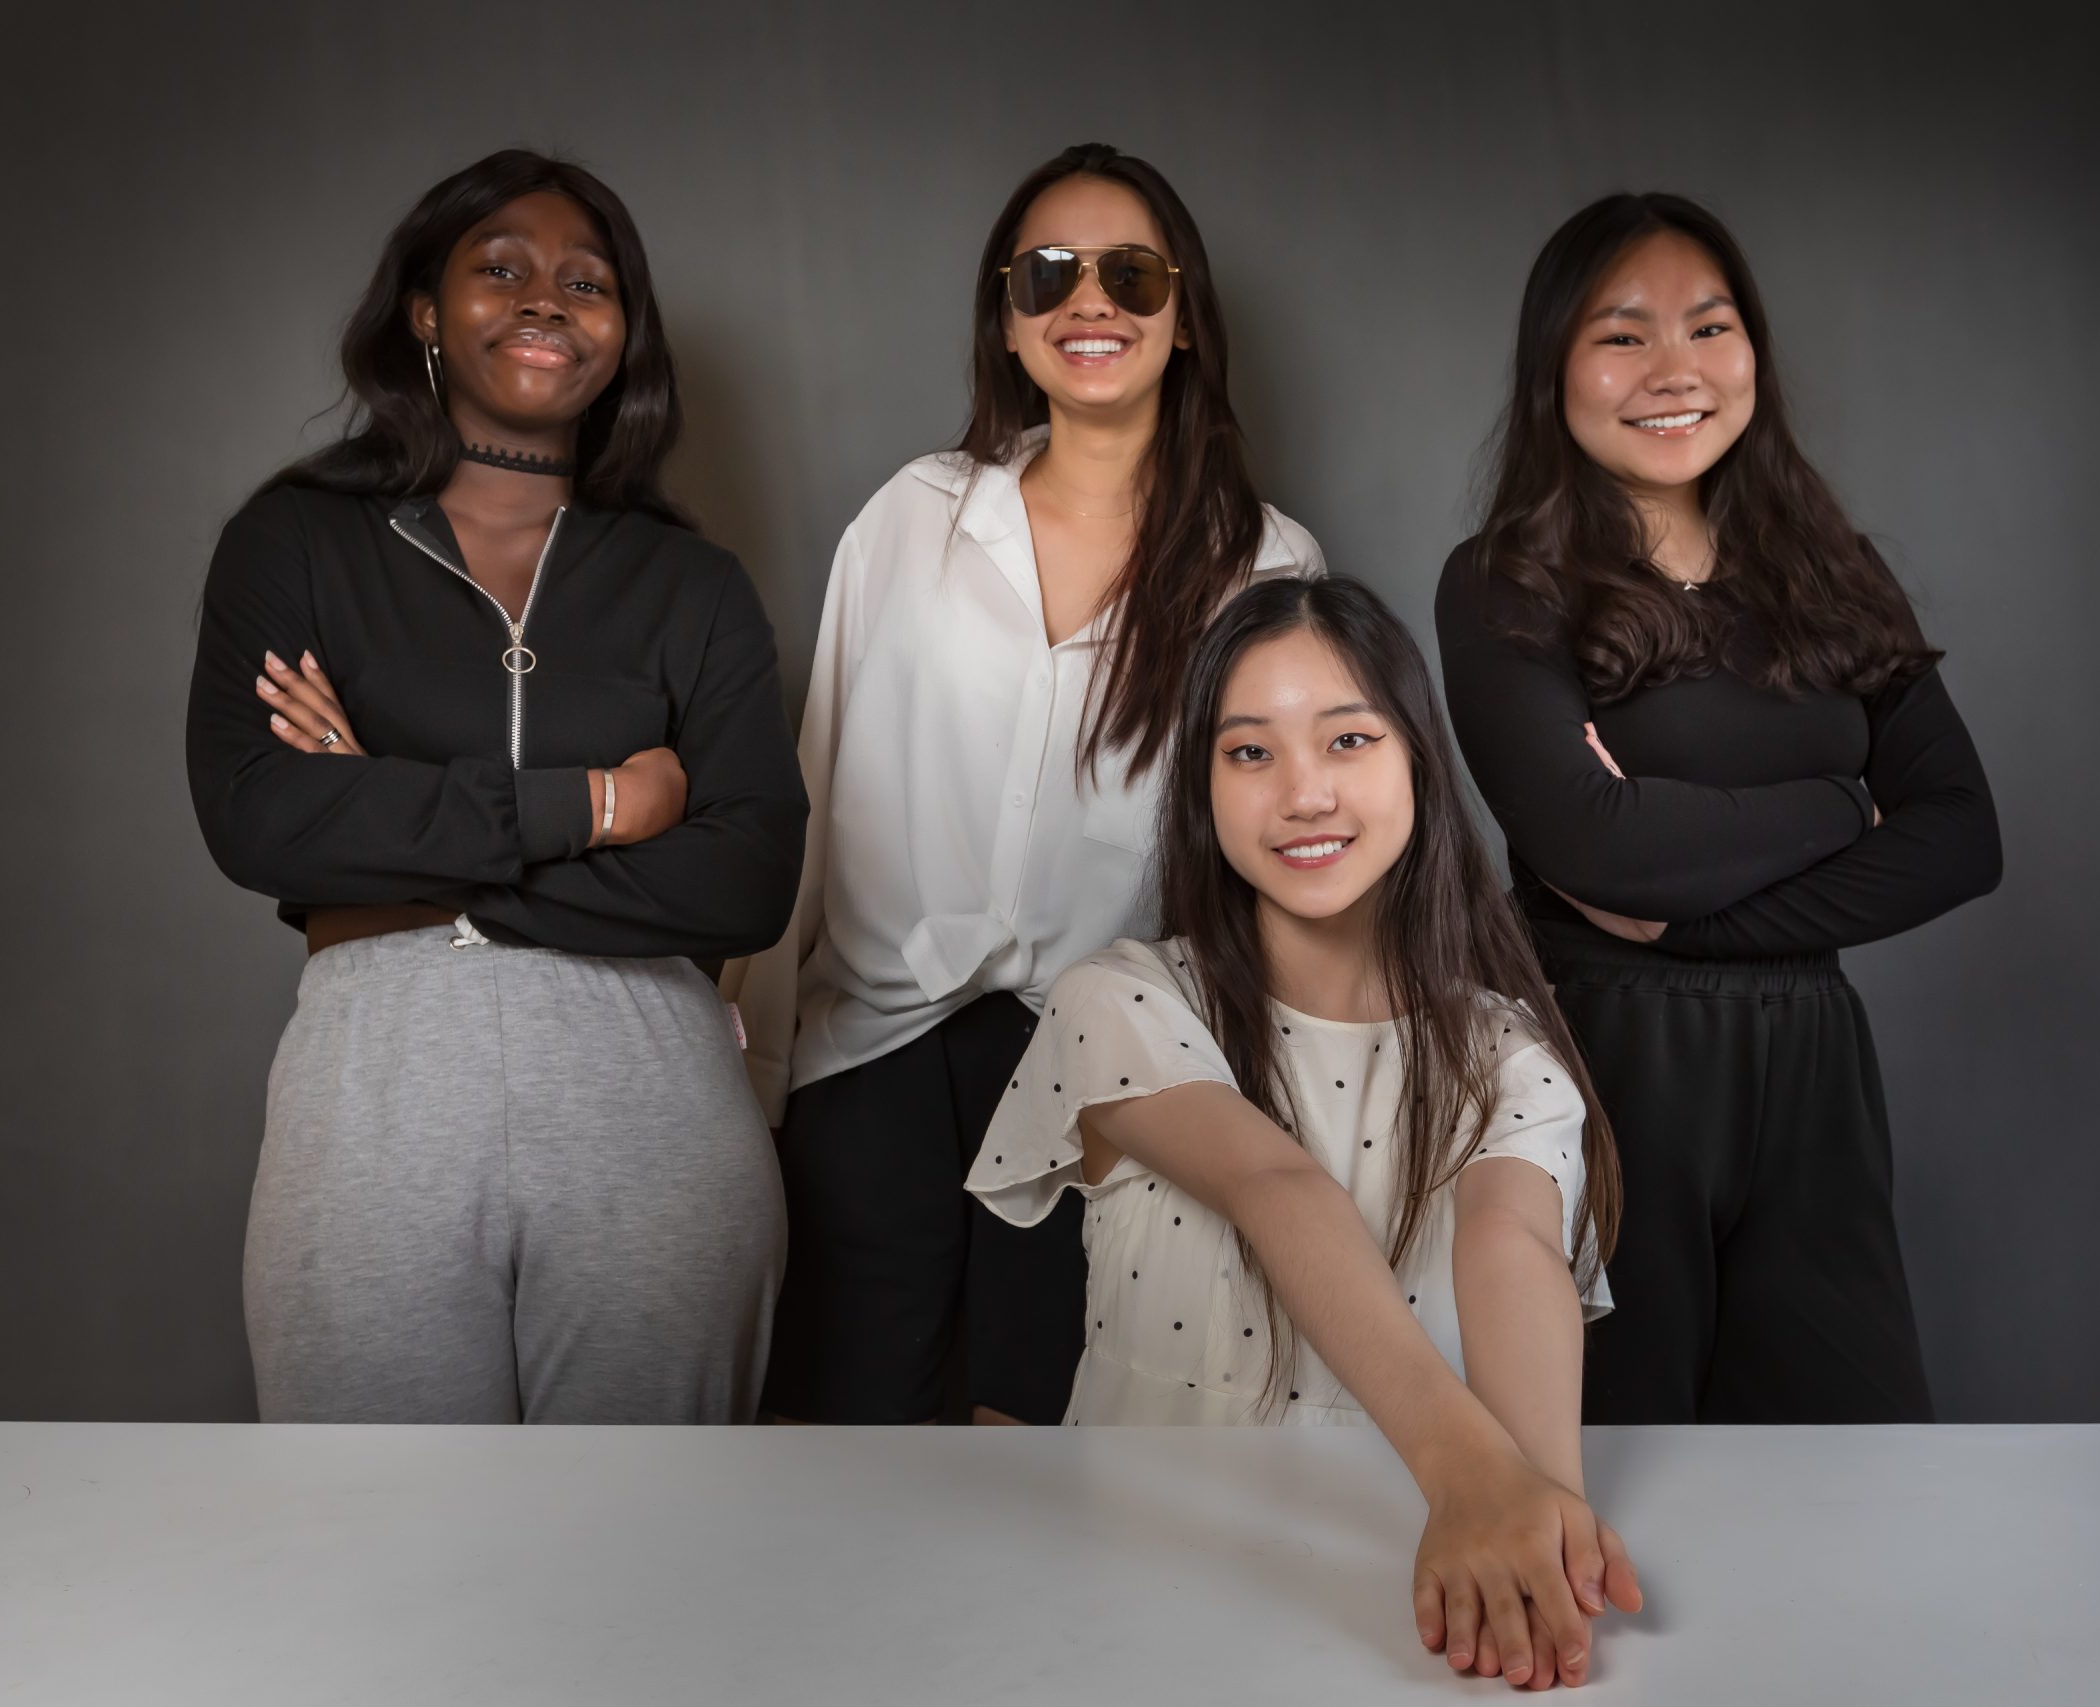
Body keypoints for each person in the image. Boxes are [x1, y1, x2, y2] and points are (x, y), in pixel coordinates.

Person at [186, 149, 806, 1423]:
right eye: (502, 269)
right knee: (381, 1522)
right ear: (425, 310)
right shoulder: (296, 540)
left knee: (643, 1524)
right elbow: (261, 818)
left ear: (622, 336)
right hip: (376, 1083)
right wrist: (599, 809)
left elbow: (746, 881)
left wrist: (394, 819)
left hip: (649, 1083)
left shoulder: (692, 587)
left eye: (586, 283)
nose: (545, 301)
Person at [731, 143, 1323, 1426]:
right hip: (871, 1048)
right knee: (852, 1432)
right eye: (1048, 273)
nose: (1089, 301)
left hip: (1112, 1073)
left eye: (1131, 274)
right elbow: (812, 793)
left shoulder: (1265, 564)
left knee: (1051, 1439)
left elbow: (1278, 853)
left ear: (1185, 316)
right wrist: (760, 1068)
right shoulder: (916, 516)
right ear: (1005, 320)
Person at [968, 575, 1640, 1688]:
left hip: (1395, 1614)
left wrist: (1540, 1526)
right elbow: (1277, 1187)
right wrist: (1470, 1475)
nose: (1304, 794)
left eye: (1348, 740)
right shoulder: (1121, 1000)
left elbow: (1510, 1243)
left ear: (1417, 760)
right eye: (1249, 753)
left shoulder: (1503, 1049)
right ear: (1201, 788)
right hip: (1127, 1603)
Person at [1433, 192, 2002, 1424]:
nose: (1674, 369)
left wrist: (1689, 917)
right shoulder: (1504, 584)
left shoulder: (1836, 574)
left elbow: (1961, 836)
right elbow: (1594, 846)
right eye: (1622, 335)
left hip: (1814, 1070)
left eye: (1708, 326)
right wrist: (1841, 806)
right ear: (1555, 368)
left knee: (1855, 1459)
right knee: (1622, 1459)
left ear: (1752, 350)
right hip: (1607, 1063)